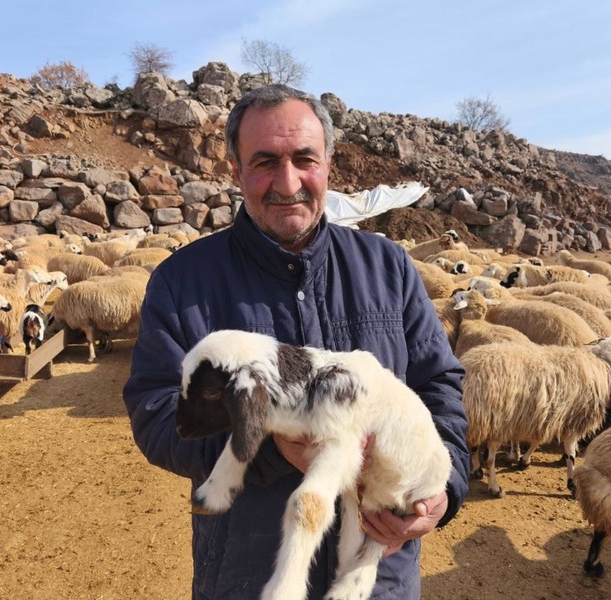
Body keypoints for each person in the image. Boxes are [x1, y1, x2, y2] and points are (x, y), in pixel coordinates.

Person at [123, 83, 470, 599]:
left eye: (304, 159)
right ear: (236, 172)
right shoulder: (183, 283)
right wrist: (269, 446)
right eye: (264, 162)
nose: (288, 183)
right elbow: (156, 414)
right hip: (248, 573)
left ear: (328, 163)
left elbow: (439, 384)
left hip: (379, 579)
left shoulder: (388, 268)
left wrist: (440, 491)